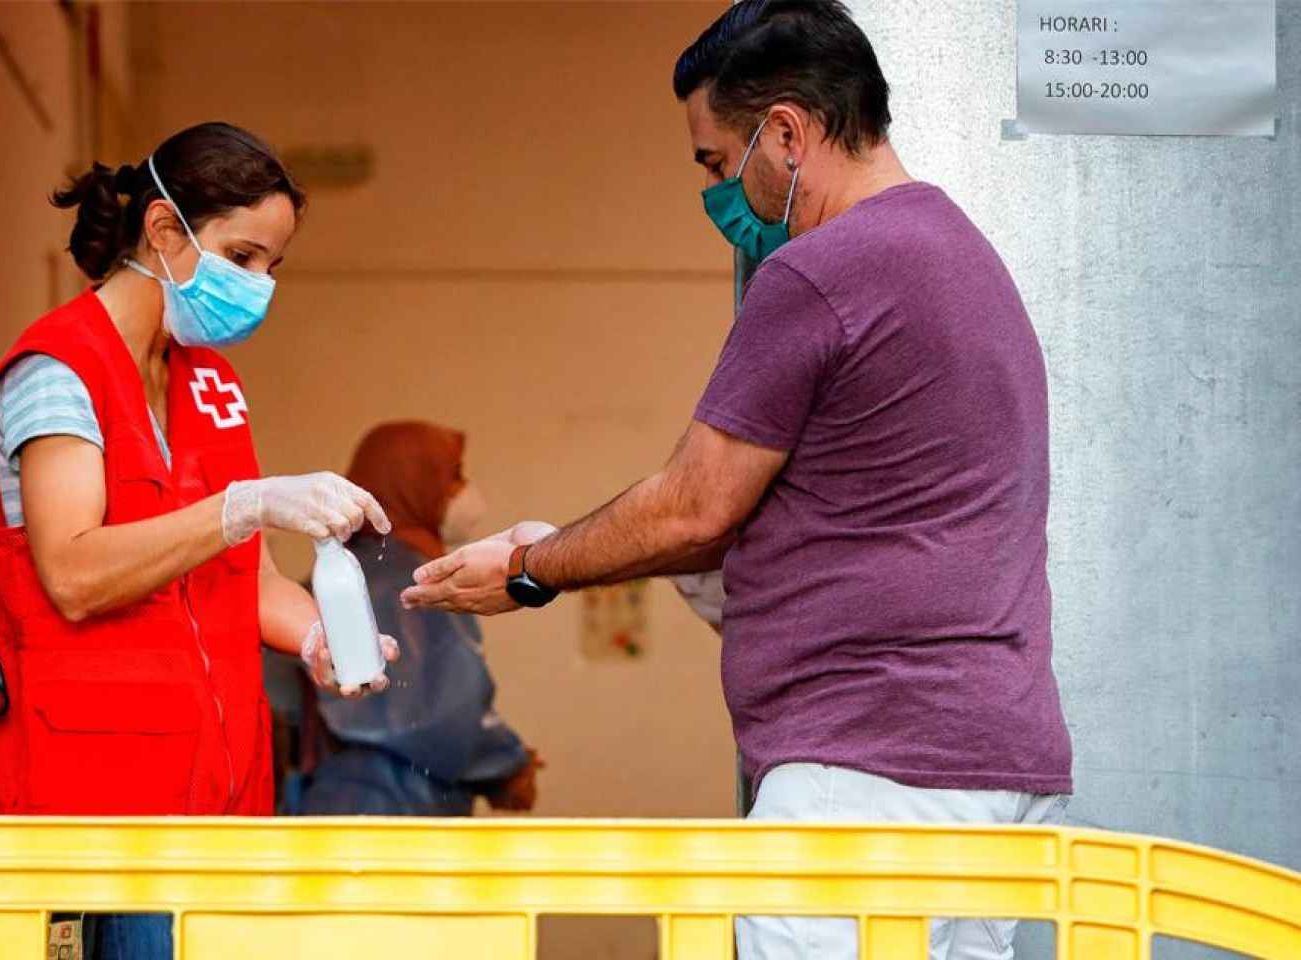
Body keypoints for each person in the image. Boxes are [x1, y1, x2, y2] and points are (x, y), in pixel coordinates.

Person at [401, 3, 1072, 958]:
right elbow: (810, 518)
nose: (717, 194)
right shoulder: (960, 258)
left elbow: (694, 504)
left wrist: (532, 568)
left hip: (866, 775)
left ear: (788, 133)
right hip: (990, 766)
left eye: (716, 162)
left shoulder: (820, 273)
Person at [0, 122, 399, 960]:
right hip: (82, 813)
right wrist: (244, 505)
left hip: (205, 812)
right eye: (243, 256)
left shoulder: (208, 382)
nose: (260, 286)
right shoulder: (58, 373)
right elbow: (73, 571)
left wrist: (318, 636)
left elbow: (246, 579)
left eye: (273, 266)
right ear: (162, 231)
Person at [298, 421, 541, 816]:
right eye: (454, 477)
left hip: (328, 801)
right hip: (399, 807)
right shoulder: (416, 580)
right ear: (414, 482)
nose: (466, 491)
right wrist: (507, 767)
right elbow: (449, 710)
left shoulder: (335, 571)